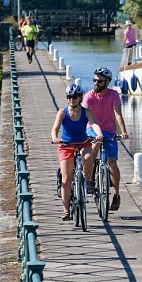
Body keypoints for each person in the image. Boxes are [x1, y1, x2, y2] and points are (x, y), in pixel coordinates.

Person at [51, 84, 103, 221]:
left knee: (88, 157)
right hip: (66, 145)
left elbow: (95, 124)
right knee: (67, 178)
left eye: (74, 97)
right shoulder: (63, 112)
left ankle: (86, 182)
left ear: (80, 97)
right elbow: (55, 128)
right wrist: (55, 138)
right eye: (69, 97)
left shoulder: (86, 112)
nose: (71, 99)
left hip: (82, 142)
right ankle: (66, 210)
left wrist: (99, 134)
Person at [83, 67, 129, 211]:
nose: (96, 83)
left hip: (109, 131)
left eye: (100, 81)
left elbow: (118, 114)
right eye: (95, 80)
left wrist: (124, 131)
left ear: (107, 82)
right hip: (92, 129)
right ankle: (89, 181)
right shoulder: (89, 96)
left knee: (112, 163)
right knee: (95, 144)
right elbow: (83, 115)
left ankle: (116, 195)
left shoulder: (113, 95)